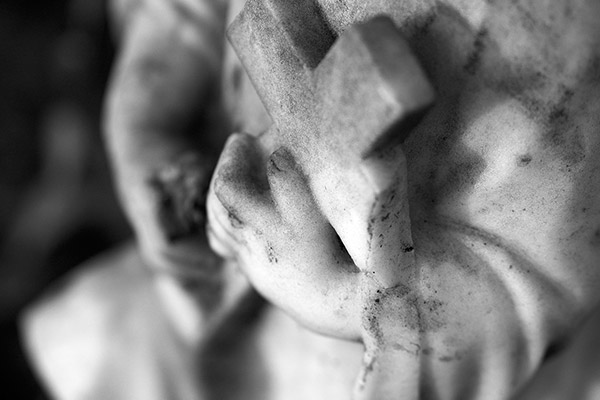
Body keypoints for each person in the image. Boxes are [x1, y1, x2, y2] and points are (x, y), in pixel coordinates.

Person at [23, 0, 600, 399]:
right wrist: (164, 69)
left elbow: (532, 288)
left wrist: (335, 297)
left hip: (350, 365)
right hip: (191, 283)